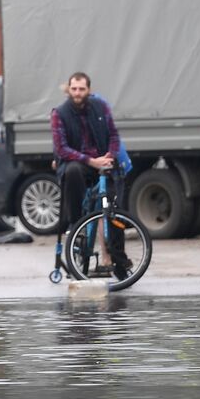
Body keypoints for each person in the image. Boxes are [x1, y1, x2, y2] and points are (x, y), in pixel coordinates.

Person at [51, 72, 132, 279]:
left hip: (103, 162)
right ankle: (76, 226)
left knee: (114, 213)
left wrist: (110, 156)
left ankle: (120, 262)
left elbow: (114, 135)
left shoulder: (100, 107)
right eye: (74, 89)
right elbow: (61, 149)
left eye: (82, 89)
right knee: (73, 171)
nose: (77, 93)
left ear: (88, 90)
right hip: (78, 165)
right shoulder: (59, 113)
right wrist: (90, 161)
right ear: (68, 89)